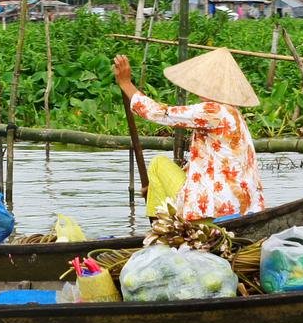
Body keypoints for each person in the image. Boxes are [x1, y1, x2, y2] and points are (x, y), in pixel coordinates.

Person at [112, 49, 264, 220]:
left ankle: (161, 231)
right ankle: (166, 226)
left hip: (217, 209)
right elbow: (209, 164)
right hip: (243, 207)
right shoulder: (234, 113)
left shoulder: (213, 110)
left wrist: (126, 84)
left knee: (157, 163)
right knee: (163, 174)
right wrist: (155, 186)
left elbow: (158, 113)